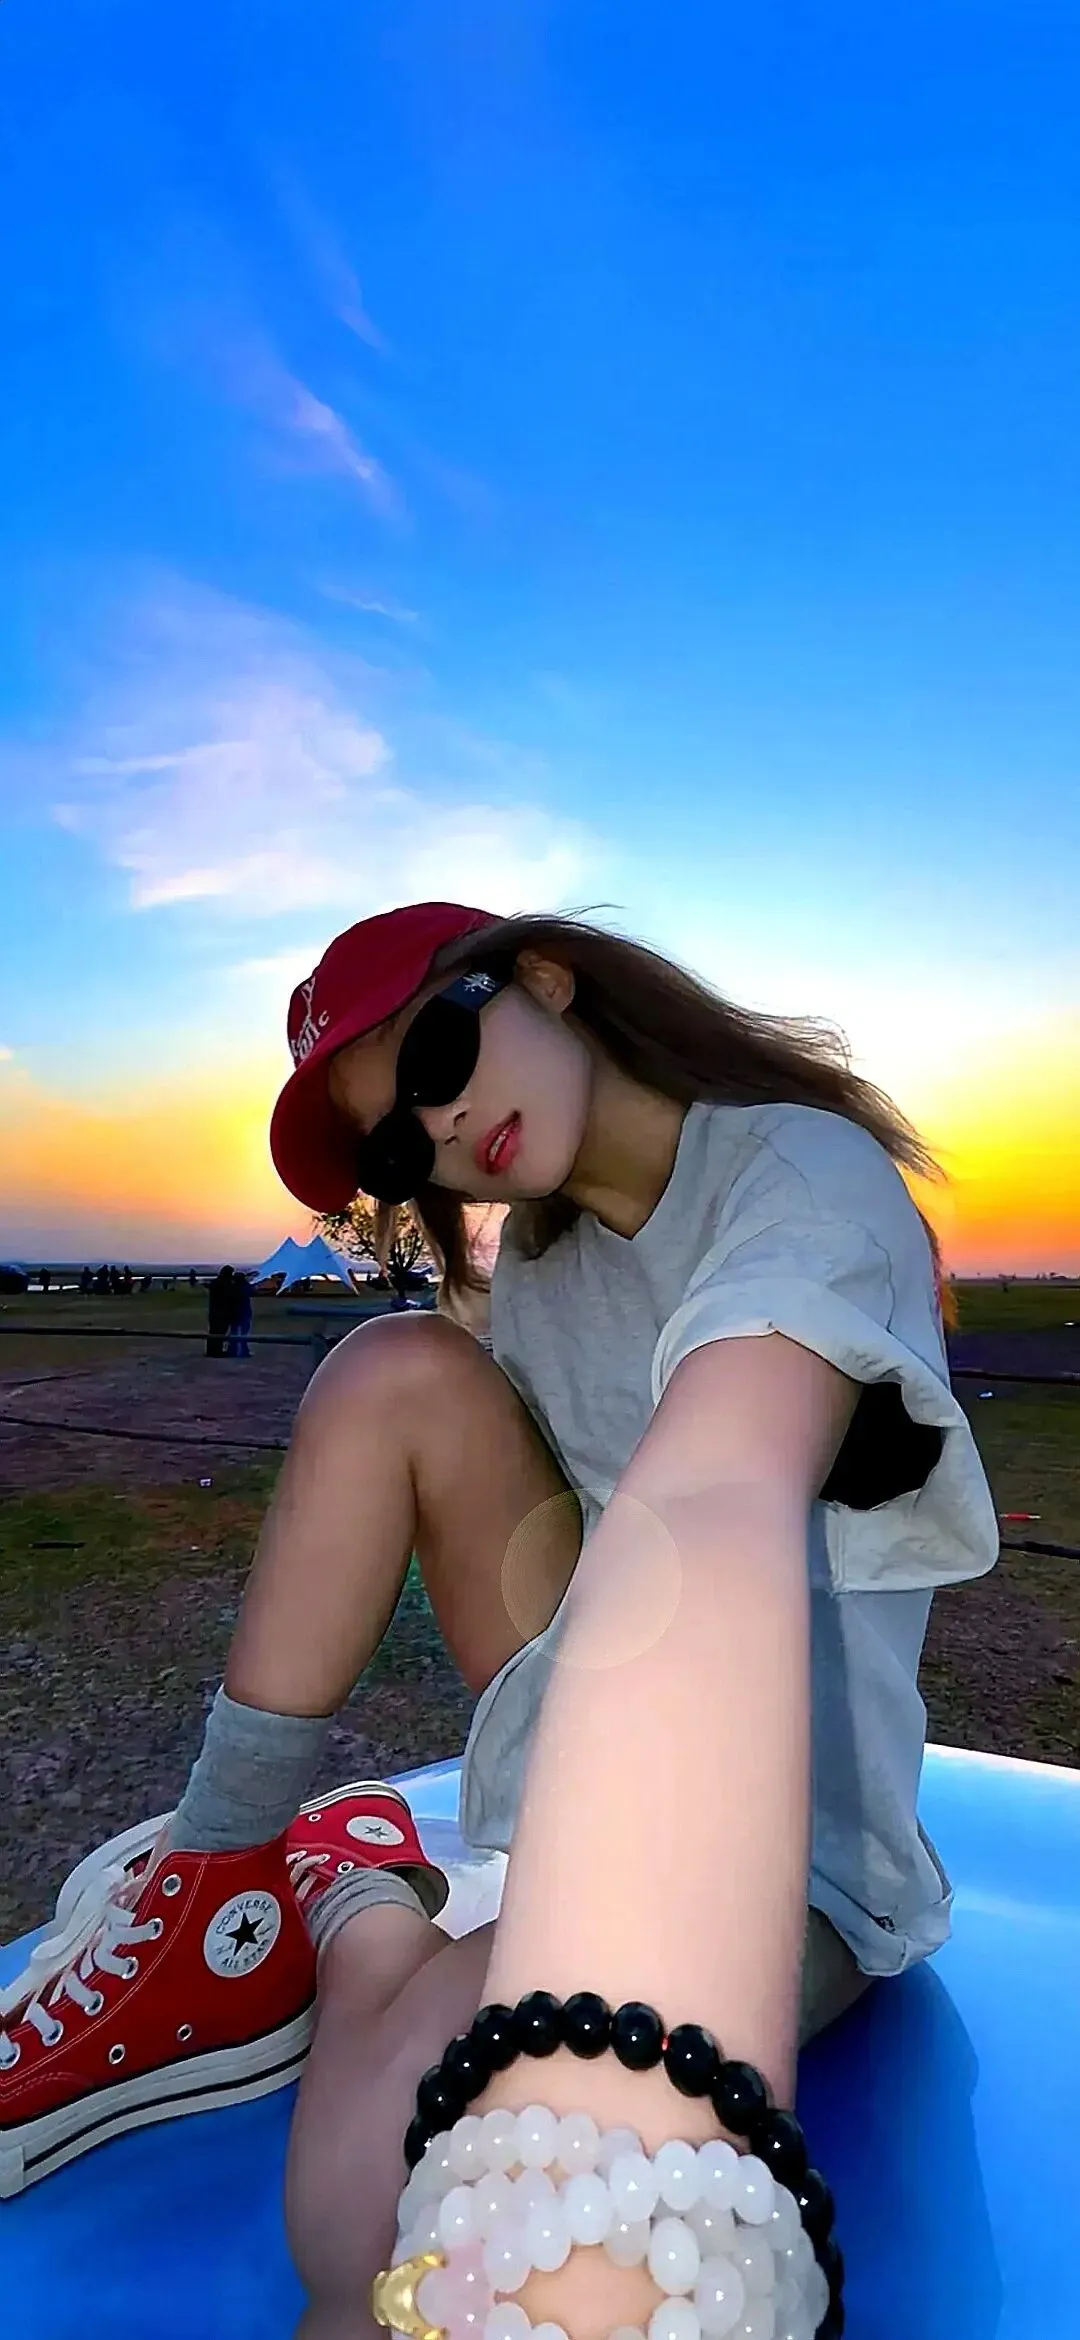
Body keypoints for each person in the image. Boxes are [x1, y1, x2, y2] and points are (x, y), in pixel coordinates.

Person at [0, 902, 999, 2340]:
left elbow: (714, 1493)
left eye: (436, 1058)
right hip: (603, 1695)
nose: (444, 1127)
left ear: (543, 977)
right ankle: (218, 1871)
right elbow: (545, 1524)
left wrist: (608, 2153)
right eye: (398, 1148)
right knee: (389, 1372)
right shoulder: (538, 1262)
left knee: (349, 2221)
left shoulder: (798, 1175)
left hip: (797, 1833)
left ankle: (359, 1912)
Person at [205, 1264, 234, 1358]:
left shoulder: (215, 1283)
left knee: (214, 1332)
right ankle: (217, 1351)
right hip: (223, 1312)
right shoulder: (225, 1284)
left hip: (214, 1311)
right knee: (220, 1332)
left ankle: (211, 1350)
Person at [225, 1270, 253, 1359]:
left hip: (234, 1313)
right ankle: (244, 1351)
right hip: (244, 1312)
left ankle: (232, 1350)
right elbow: (252, 1291)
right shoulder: (245, 1287)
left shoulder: (232, 1288)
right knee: (244, 1333)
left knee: (234, 1333)